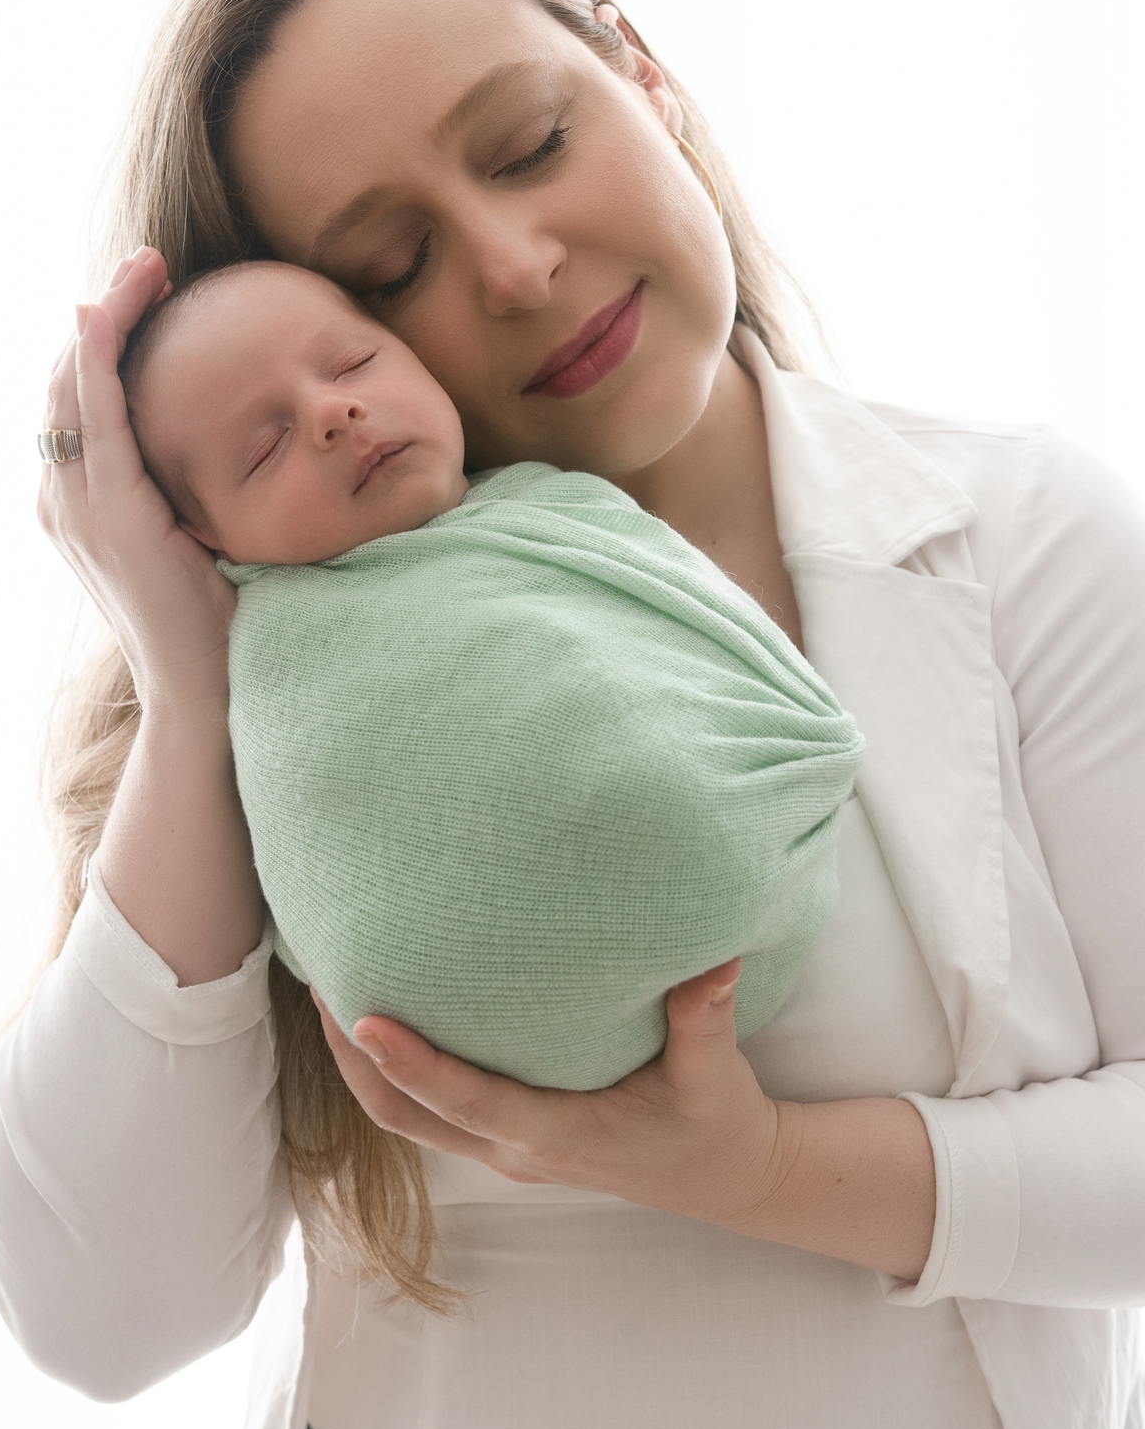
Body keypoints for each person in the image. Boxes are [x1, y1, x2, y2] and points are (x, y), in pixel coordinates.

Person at [0, 0, 1145, 1429]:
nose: (514, 265)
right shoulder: (290, 713)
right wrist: (185, 674)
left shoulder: (1019, 534)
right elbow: (95, 1319)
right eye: (386, 265)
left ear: (638, 66)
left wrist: (757, 1173)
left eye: (530, 144)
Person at [119, 255, 863, 1091]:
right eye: (265, 448)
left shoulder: (554, 504)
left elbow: (697, 625)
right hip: (465, 1019)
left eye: (352, 363)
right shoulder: (275, 653)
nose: (333, 412)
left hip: (737, 895)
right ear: (211, 539)